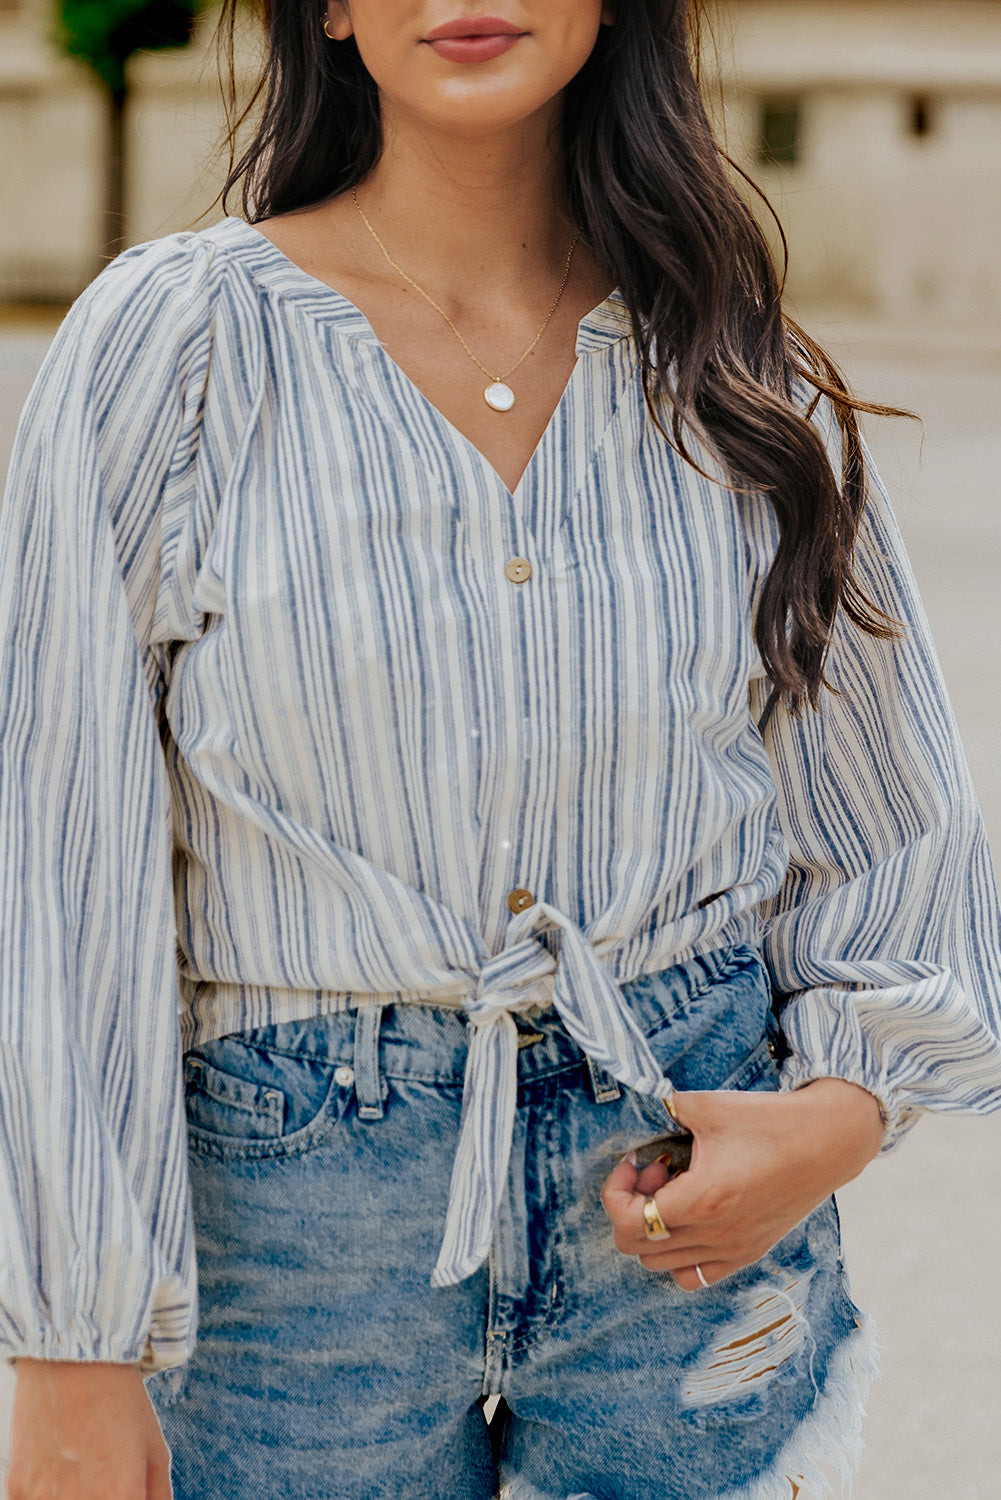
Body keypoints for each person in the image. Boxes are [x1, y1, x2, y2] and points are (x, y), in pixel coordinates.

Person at [2, 2, 1001, 1497]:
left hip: (682, 1204)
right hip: (292, 1235)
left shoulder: (731, 365)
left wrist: (838, 1119)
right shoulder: (178, 341)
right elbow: (58, 852)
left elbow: (888, 809)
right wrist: (68, 1351)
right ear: (331, 7)